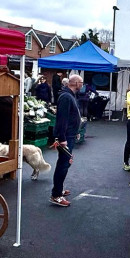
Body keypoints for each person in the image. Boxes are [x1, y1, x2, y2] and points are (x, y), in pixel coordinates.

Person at [49, 74, 82, 207]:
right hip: (65, 136)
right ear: (75, 83)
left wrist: (76, 132)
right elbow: (62, 119)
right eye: (81, 82)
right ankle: (56, 195)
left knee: (65, 164)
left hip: (70, 134)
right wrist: (62, 138)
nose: (82, 85)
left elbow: (72, 116)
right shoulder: (66, 97)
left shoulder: (69, 95)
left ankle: (59, 189)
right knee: (63, 164)